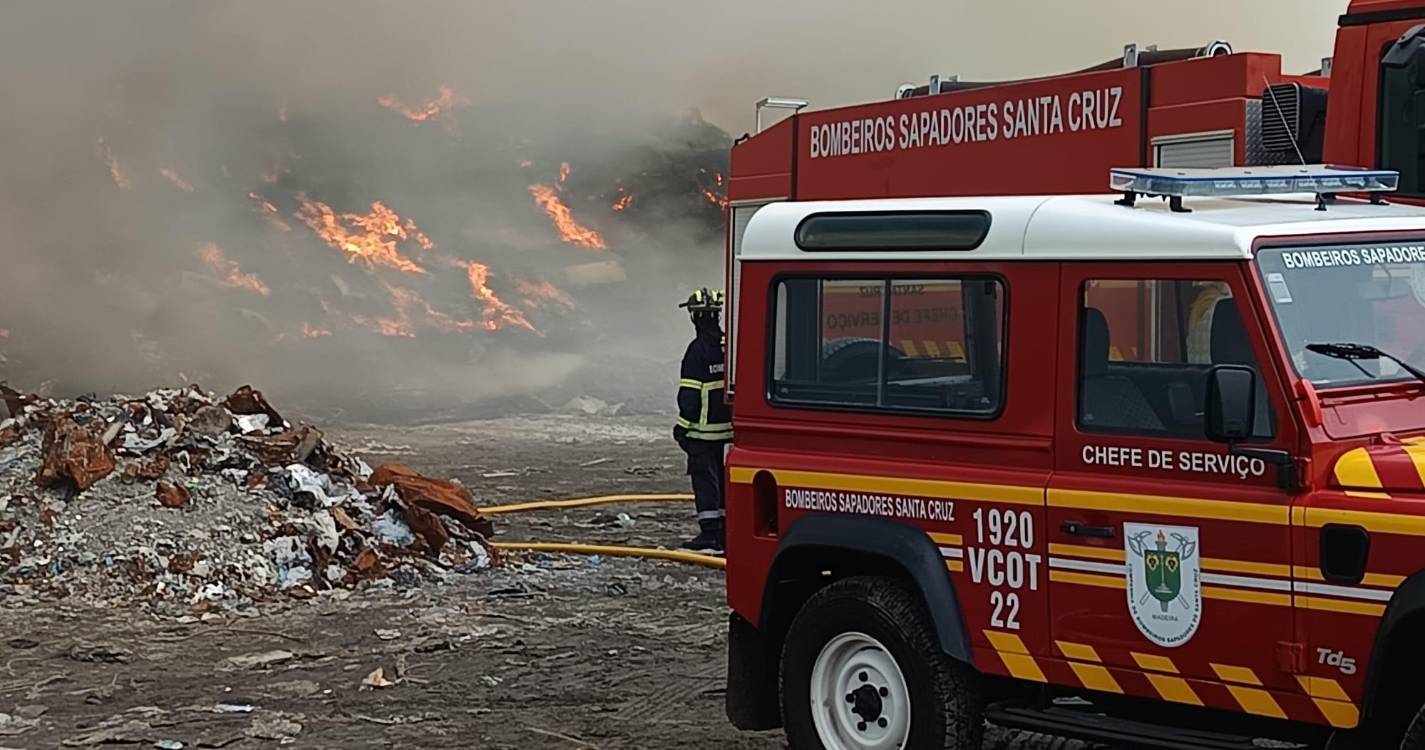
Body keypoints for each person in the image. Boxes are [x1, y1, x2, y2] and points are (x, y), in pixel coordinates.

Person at [674, 288, 732, 554]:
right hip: (728, 429)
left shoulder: (697, 350)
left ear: (695, 316)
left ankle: (710, 535)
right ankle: (725, 531)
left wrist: (682, 427)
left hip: (702, 431)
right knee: (722, 477)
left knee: (704, 478)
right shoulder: (728, 344)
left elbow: (690, 394)